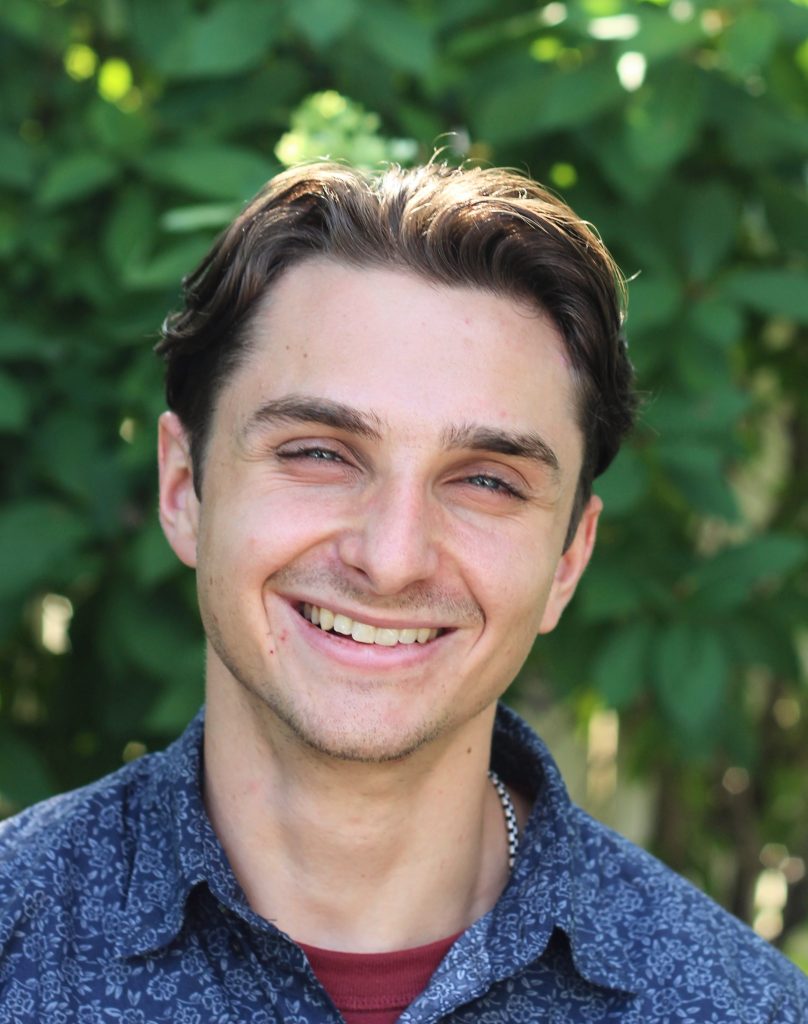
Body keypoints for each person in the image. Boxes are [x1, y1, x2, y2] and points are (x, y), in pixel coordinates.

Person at [0, 161, 805, 1024]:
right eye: (319, 452)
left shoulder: (737, 1006)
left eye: (487, 482)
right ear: (183, 489)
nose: (391, 559)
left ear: (570, 558)